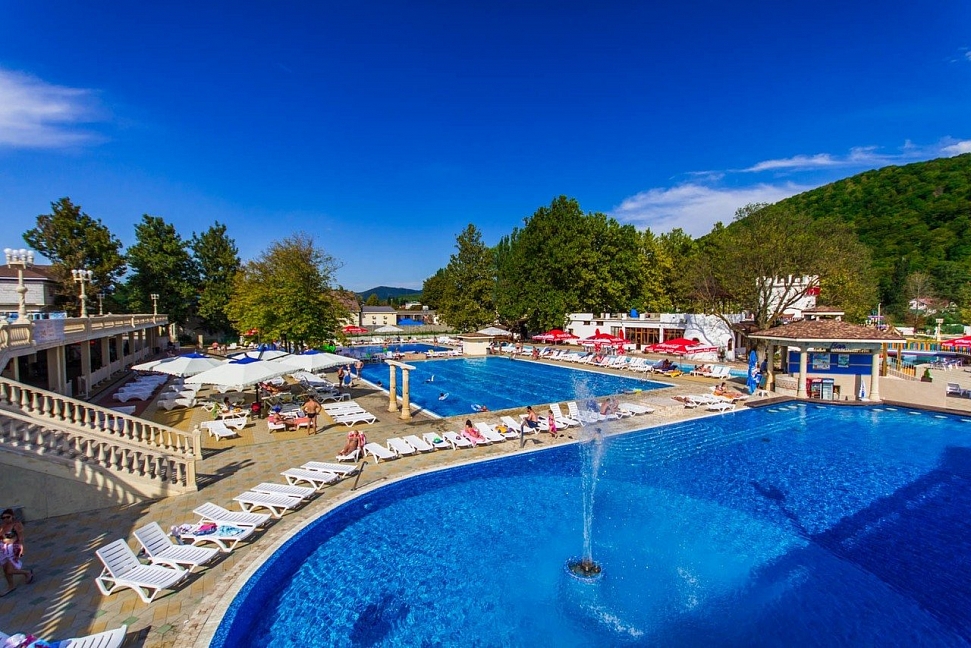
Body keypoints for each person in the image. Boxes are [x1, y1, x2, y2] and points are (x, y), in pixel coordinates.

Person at [1, 530, 31, 595]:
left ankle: (27, 572)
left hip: (11, 558)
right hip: (5, 557)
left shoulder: (14, 545)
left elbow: (18, 550)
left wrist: (17, 556)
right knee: (6, 571)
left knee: (9, 571)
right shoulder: (5, 543)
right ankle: (11, 586)